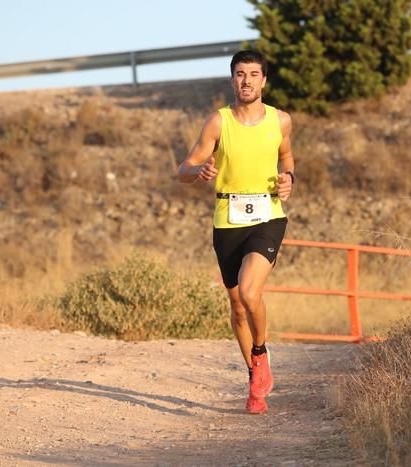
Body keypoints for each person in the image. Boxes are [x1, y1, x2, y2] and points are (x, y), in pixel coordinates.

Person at [177, 50, 295, 415]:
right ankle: (255, 380)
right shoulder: (218, 122)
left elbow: (287, 159)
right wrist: (197, 173)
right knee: (237, 308)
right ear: (232, 80)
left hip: (267, 216)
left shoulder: (281, 120)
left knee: (249, 290)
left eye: (254, 74)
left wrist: (289, 178)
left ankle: (260, 354)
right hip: (227, 219)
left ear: (264, 80)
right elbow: (184, 166)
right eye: (240, 74)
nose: (247, 81)